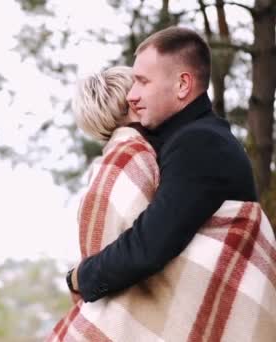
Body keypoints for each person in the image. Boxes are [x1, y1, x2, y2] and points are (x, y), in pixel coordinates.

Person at [47, 26, 276, 341]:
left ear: (183, 84)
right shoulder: (183, 140)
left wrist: (80, 277)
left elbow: (148, 246)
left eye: (142, 82)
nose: (131, 95)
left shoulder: (200, 143)